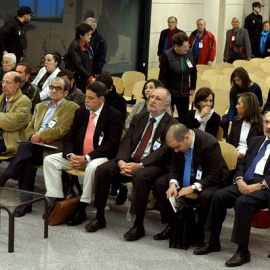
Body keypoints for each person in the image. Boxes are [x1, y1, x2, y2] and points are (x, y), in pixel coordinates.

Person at [85, 88, 178, 237]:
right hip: (130, 160)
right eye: (151, 97)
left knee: (141, 176)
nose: (152, 100)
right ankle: (99, 217)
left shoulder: (172, 125)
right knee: (102, 170)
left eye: (158, 99)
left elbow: (163, 152)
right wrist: (121, 161)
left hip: (154, 165)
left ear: (166, 106)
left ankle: (138, 225)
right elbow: (126, 140)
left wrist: (140, 165)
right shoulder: (139, 118)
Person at [193, 111, 270, 267]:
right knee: (218, 196)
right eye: (266, 122)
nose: (268, 126)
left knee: (242, 202)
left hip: (265, 188)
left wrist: (259, 185)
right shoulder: (256, 140)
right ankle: (213, 241)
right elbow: (241, 164)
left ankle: (243, 251)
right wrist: (239, 179)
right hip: (245, 181)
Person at [43, 81, 123, 226]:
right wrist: (70, 155)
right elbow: (69, 137)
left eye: (91, 98)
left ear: (101, 99)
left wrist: (86, 158)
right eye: (86, 97)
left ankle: (82, 207)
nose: (86, 101)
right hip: (78, 156)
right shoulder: (81, 112)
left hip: (99, 157)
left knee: (92, 167)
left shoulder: (113, 115)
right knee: (50, 160)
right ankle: (57, 200)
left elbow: (110, 144)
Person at [0, 77, 79, 216]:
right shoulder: (40, 106)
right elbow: (29, 128)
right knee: (27, 160)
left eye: (58, 88)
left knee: (25, 150)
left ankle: (5, 177)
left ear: (66, 92)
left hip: (52, 148)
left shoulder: (72, 107)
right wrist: (33, 137)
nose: (54, 90)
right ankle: (26, 204)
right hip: (34, 146)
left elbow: (63, 129)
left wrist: (42, 136)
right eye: (52, 87)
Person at [154, 123, 226, 245]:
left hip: (209, 178)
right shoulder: (176, 144)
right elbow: (174, 166)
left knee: (206, 196)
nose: (175, 151)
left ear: (187, 138)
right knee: (160, 184)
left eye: (177, 147)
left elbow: (216, 174)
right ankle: (173, 225)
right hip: (187, 174)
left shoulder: (209, 143)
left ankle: (199, 230)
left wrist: (192, 188)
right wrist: (173, 184)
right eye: (173, 148)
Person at [159, 32, 197, 124]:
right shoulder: (167, 55)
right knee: (167, 118)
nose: (187, 48)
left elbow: (193, 72)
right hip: (170, 92)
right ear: (176, 46)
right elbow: (162, 77)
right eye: (184, 47)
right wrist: (164, 93)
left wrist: (192, 87)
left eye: (187, 46)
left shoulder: (190, 53)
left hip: (184, 92)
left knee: (184, 119)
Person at [222, 67, 263, 137]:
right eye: (235, 80)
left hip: (250, 114)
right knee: (224, 121)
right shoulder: (233, 89)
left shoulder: (255, 87)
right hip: (236, 112)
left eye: (238, 80)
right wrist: (231, 122)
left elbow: (260, 103)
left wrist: (247, 106)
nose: (236, 82)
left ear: (244, 79)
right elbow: (232, 107)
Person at [0, 71, 31, 154]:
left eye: (8, 82)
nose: (4, 85)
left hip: (10, 141)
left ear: (17, 85)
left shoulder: (24, 101)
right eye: (3, 82)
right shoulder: (1, 98)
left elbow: (13, 122)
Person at [227, 92, 263, 160]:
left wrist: (246, 155)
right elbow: (229, 141)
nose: (236, 106)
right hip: (234, 155)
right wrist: (233, 152)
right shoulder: (236, 120)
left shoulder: (261, 124)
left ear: (247, 106)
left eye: (239, 104)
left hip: (250, 159)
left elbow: (260, 148)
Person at [65, 23, 94, 92]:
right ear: (81, 35)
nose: (90, 36)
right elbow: (78, 66)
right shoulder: (75, 46)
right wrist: (89, 77)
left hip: (85, 76)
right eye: (88, 35)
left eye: (90, 34)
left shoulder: (87, 44)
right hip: (78, 78)